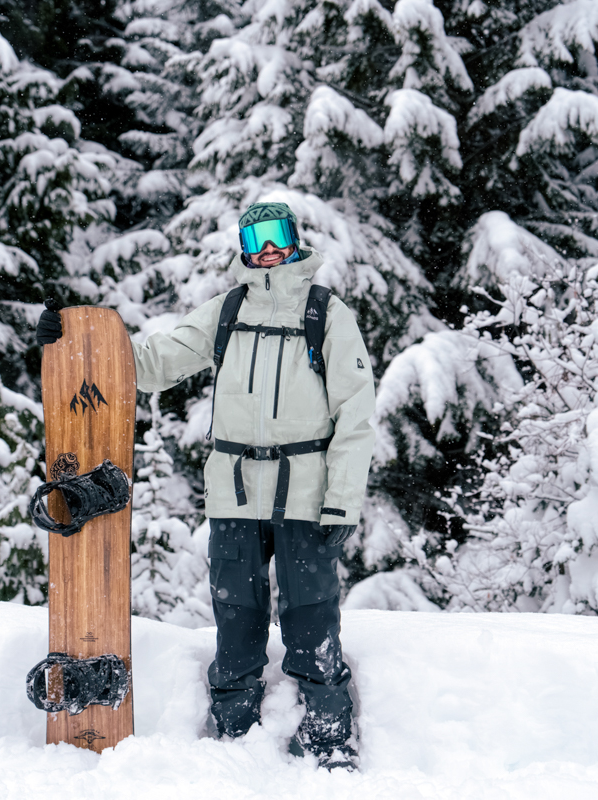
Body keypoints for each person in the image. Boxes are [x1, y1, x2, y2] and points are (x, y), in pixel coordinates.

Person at [36, 201, 375, 771]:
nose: (268, 247)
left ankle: (327, 738)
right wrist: (72, 338)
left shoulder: (326, 314)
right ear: (243, 246)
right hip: (235, 493)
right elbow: (152, 362)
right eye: (256, 236)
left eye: (278, 234)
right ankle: (235, 735)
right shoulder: (228, 310)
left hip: (307, 491)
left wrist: (342, 499)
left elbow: (356, 412)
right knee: (236, 615)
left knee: (311, 616)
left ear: (294, 240)